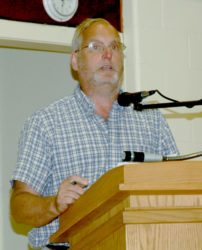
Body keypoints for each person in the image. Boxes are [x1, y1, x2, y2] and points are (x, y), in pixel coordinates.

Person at [10, 18, 179, 249]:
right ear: (75, 60)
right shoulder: (46, 123)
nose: (108, 54)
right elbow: (19, 206)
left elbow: (178, 186)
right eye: (96, 47)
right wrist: (54, 205)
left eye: (115, 46)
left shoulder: (152, 121)